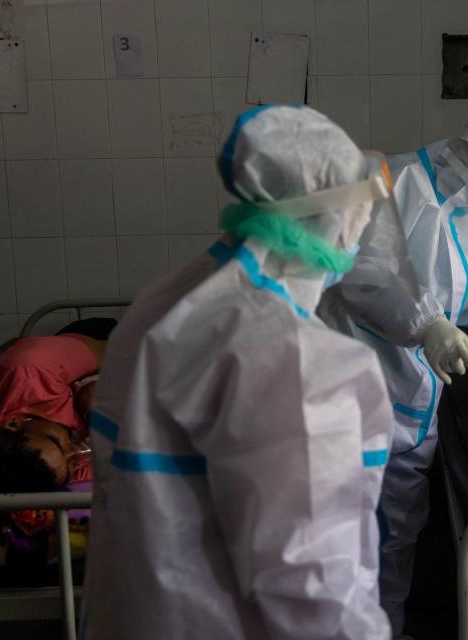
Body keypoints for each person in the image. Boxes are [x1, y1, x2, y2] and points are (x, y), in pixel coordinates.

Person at [81, 105, 408, 639]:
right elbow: (312, 585)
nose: (364, 225)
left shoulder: (163, 305)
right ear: (326, 212)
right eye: (360, 208)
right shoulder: (286, 356)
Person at [318, 102, 468, 634]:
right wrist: (427, 325)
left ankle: (385, 627)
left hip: (413, 397)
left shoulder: (463, 214)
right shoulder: (396, 184)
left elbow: (443, 287)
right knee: (348, 529)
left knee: (398, 530)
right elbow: (365, 277)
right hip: (359, 385)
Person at [0, 319, 115, 492]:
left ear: (14, 423)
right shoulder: (51, 473)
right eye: (71, 464)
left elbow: (120, 351)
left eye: (56, 441)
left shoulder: (30, 370)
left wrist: (104, 386)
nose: (73, 450)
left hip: (95, 344)